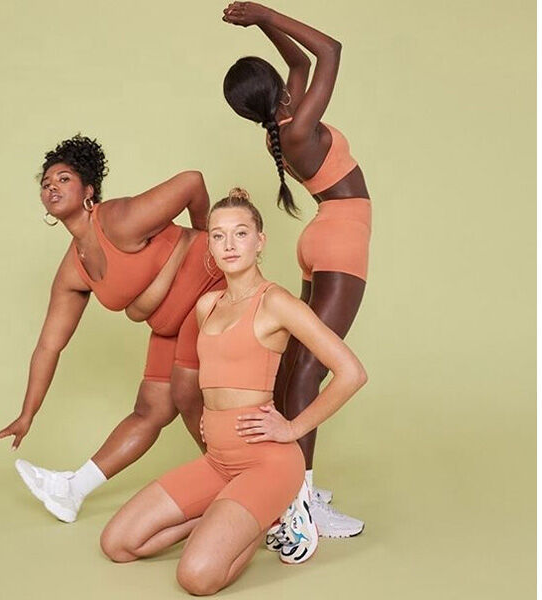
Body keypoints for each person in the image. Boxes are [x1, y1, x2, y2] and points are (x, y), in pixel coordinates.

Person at [99, 188, 367, 594]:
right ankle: (252, 518)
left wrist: (293, 429)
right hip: (218, 462)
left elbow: (351, 372)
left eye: (240, 233)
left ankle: (273, 511)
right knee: (118, 543)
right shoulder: (208, 306)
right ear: (209, 244)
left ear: (260, 241)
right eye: (219, 235)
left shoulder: (276, 302)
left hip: (266, 463)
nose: (229, 244)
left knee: (196, 577)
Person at [0, 134, 224, 522]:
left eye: (63, 179)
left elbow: (192, 182)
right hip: (173, 327)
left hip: (211, 295)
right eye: (46, 183)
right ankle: (70, 491)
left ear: (88, 191)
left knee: (186, 394)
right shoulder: (72, 270)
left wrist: (206, 239)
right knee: (150, 410)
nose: (51, 187)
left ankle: (244, 485)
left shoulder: (116, 220)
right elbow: (49, 345)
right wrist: (27, 414)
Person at [222, 2, 372, 542]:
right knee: (312, 367)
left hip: (322, 234)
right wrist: (265, 11)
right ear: (277, 91)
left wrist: (263, 25)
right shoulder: (300, 126)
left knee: (295, 366)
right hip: (340, 238)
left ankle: (286, 477)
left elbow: (303, 65)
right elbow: (328, 50)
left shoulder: (278, 131)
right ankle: (301, 499)